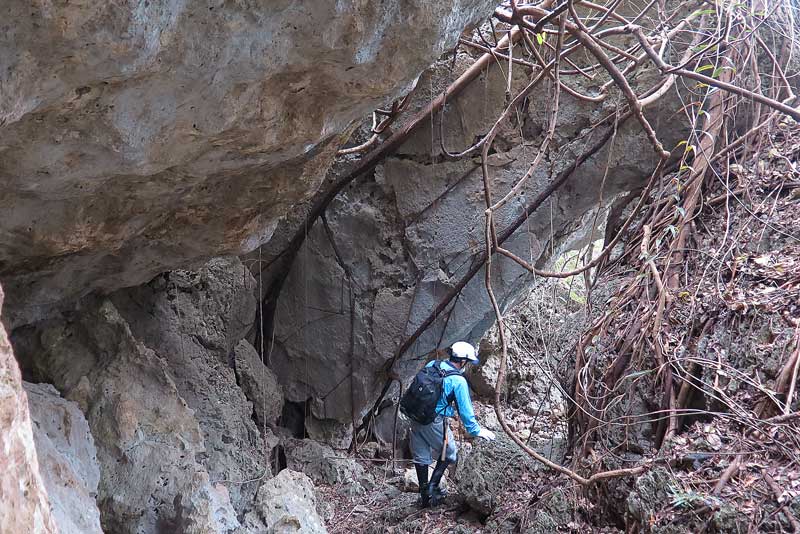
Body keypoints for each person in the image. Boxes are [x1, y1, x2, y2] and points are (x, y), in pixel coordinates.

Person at [409, 341, 496, 507]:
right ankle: (432, 489)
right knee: (450, 454)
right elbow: (465, 411)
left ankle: (424, 497)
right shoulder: (458, 381)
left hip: (415, 416)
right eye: (468, 362)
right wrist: (476, 430)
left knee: (421, 457)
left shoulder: (433, 364)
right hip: (434, 421)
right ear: (462, 361)